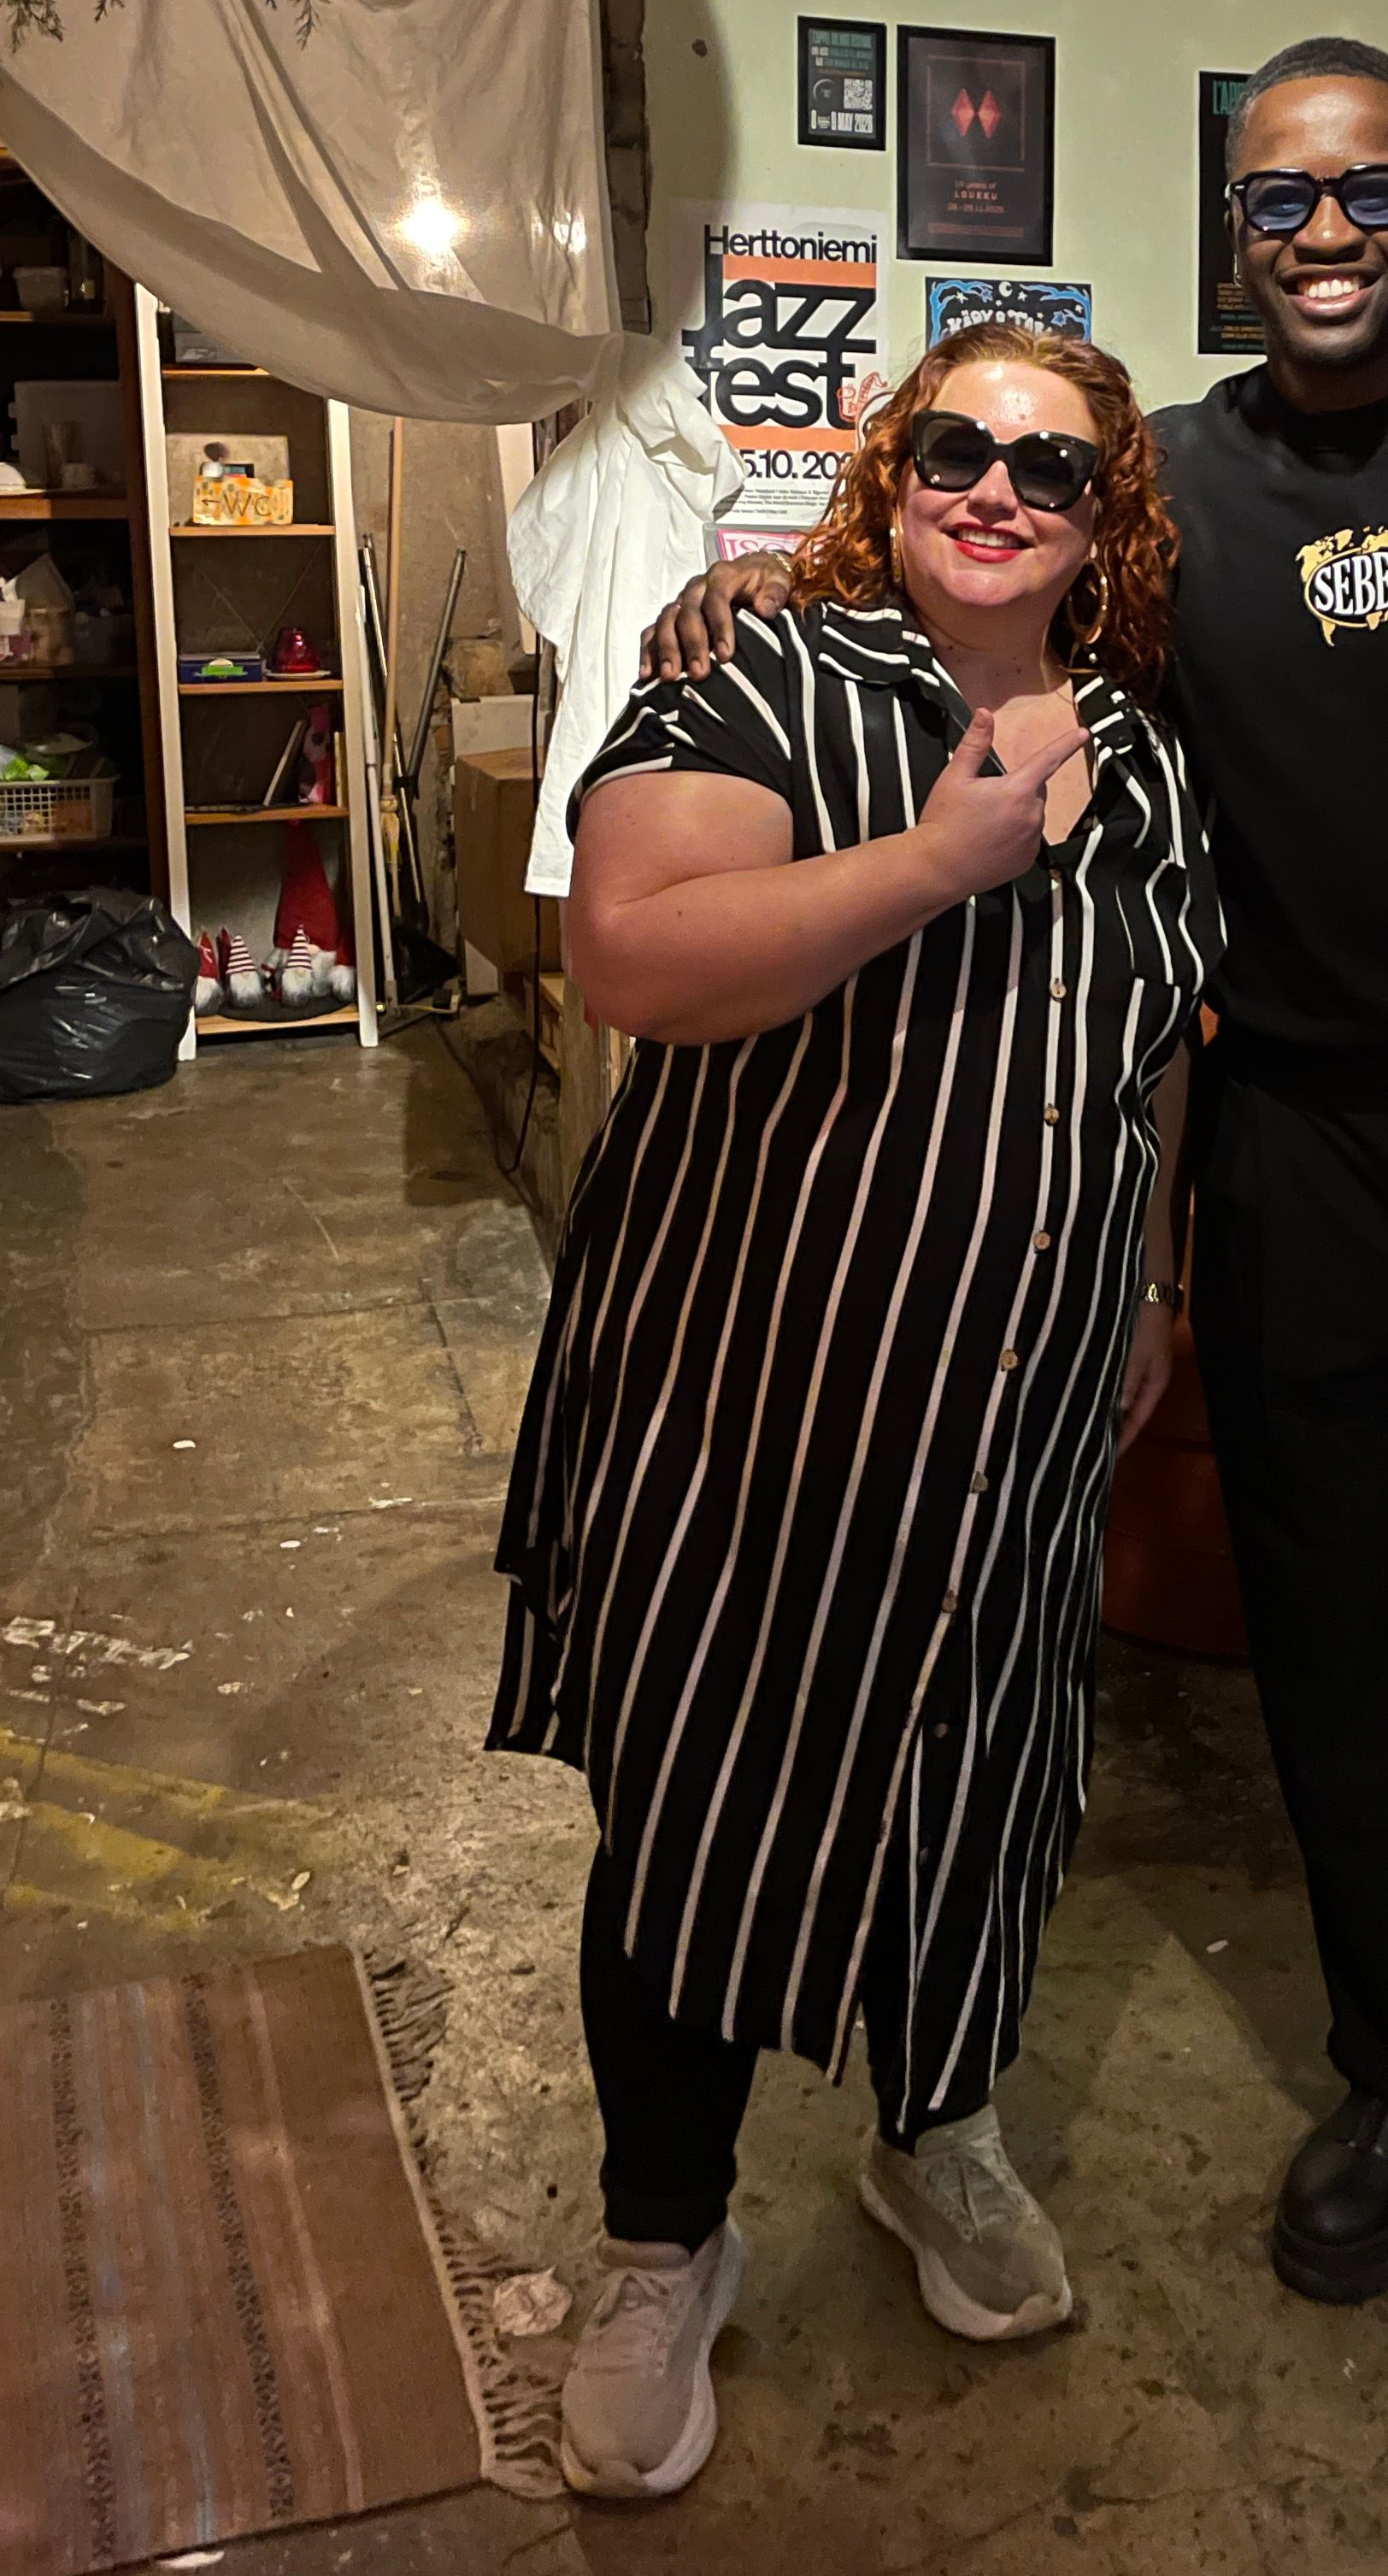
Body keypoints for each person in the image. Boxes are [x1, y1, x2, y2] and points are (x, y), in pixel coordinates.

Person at [649, 38, 1388, 2402]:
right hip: (1289, 1143)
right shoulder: (1164, 487)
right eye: (1280, 200)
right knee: (1343, 1645)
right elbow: (983, 574)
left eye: (1368, 193)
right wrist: (772, 576)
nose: (1325, 236)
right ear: (1234, 225)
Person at [499, 323, 1217, 2499]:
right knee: (706, 1796)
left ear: (1104, 524)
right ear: (893, 470)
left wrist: (1151, 1269)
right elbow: (632, 955)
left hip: (1023, 1391)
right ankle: (663, 2239)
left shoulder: (1149, 760)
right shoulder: (758, 678)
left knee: (981, 1778)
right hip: (757, 1382)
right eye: (958, 447)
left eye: (1051, 468)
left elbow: (1156, 1046)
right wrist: (928, 862)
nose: (998, 489)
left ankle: (937, 2133)